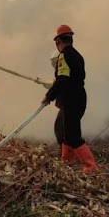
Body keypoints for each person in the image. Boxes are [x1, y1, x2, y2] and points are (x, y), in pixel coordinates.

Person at [42, 25, 98, 174]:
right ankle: (66, 164)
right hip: (77, 98)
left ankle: (91, 168)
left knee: (73, 135)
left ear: (58, 41)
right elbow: (68, 78)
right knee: (65, 132)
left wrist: (49, 97)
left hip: (71, 100)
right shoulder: (77, 55)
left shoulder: (64, 56)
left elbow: (62, 80)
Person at [36, 51, 65, 151]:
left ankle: (67, 155)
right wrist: (41, 82)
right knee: (61, 128)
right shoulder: (60, 71)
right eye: (52, 62)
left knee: (61, 128)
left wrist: (48, 97)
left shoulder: (64, 70)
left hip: (69, 104)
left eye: (55, 62)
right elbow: (54, 84)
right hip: (67, 104)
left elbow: (57, 85)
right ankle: (65, 153)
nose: (54, 64)